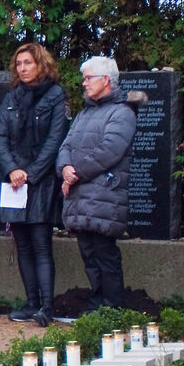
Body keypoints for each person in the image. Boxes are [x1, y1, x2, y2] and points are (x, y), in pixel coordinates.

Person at [58, 56, 143, 311]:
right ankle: (97, 305)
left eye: (88, 78)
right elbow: (67, 145)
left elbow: (110, 150)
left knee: (104, 253)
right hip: (81, 195)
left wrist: (76, 173)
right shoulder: (85, 113)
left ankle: (112, 308)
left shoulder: (123, 112)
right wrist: (64, 168)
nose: (84, 83)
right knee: (89, 254)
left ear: (105, 80)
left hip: (105, 194)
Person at [0, 43, 69, 322]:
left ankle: (47, 306)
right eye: (19, 64)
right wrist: (12, 169)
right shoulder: (11, 97)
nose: (23, 68)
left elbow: (54, 141)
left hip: (41, 179)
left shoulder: (55, 95)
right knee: (22, 243)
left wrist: (30, 173)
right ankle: (30, 302)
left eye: (28, 63)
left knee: (40, 243)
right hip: (14, 181)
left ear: (41, 65)